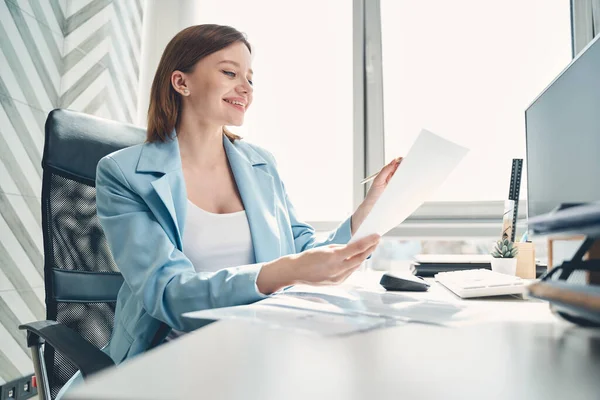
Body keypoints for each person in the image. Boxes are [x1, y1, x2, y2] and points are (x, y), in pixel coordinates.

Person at [56, 23, 400, 398]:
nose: (246, 88)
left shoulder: (260, 165)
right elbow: (168, 293)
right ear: (181, 82)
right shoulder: (123, 173)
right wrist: (283, 271)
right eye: (229, 72)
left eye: (250, 78)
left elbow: (301, 251)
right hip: (175, 358)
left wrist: (371, 207)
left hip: (260, 345)